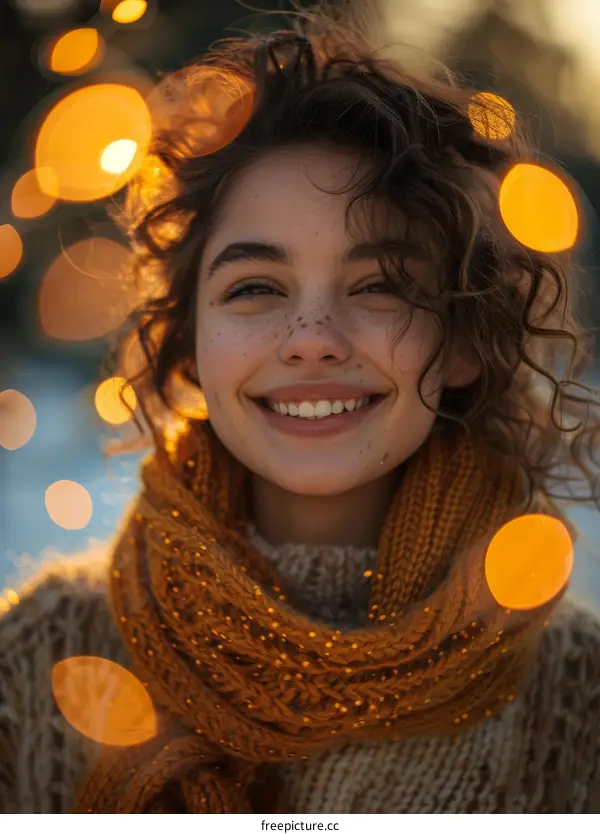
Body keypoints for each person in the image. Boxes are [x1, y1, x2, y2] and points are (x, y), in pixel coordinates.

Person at [2, 0, 600, 814]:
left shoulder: (577, 697)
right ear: (190, 343)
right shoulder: (30, 667)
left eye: (380, 285)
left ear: (464, 339)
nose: (312, 340)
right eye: (256, 287)